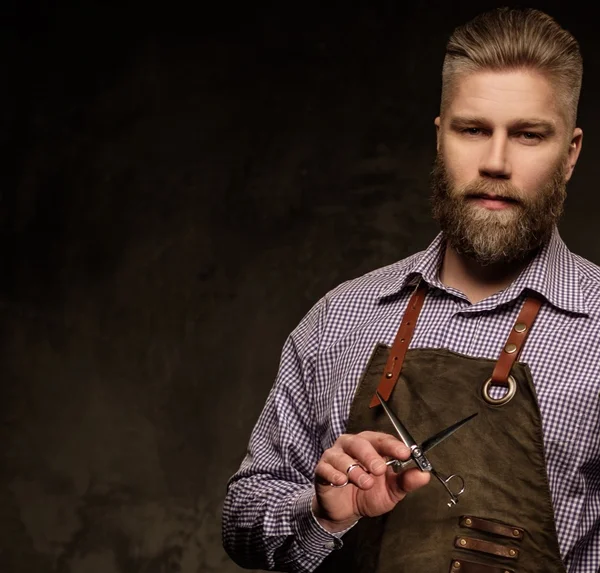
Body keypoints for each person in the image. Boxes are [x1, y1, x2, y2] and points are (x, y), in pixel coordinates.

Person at [222, 7, 599, 573]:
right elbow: (243, 516)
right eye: (473, 129)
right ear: (440, 136)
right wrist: (323, 514)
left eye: (527, 135)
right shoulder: (341, 318)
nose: (495, 162)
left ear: (569, 154)